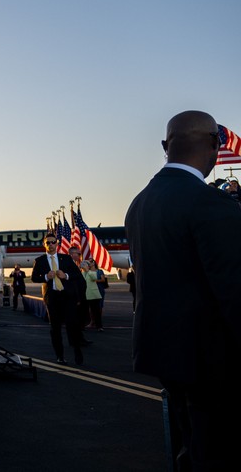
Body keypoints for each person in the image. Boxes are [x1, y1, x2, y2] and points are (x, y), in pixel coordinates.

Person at [124, 110, 241, 471]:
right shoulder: (212, 203)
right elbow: (233, 291)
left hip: (166, 354)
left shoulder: (139, 204)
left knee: (190, 446)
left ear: (165, 146)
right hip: (213, 361)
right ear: (214, 145)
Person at [30, 233, 84, 365]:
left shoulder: (66, 259)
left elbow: (77, 275)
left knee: (73, 325)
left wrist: (65, 275)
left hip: (67, 297)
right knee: (55, 328)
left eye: (53, 242)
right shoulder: (40, 260)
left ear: (57, 243)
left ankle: (77, 350)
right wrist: (45, 277)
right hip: (52, 298)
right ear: (44, 244)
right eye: (48, 242)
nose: (51, 245)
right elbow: (34, 278)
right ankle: (60, 355)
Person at [80, 261, 104, 331]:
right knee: (83, 312)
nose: (84, 266)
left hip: (93, 295)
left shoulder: (93, 272)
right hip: (84, 295)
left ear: (88, 266)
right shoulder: (81, 273)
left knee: (96, 311)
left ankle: (99, 326)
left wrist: (88, 271)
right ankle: (82, 326)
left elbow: (94, 278)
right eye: (83, 265)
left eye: (85, 265)